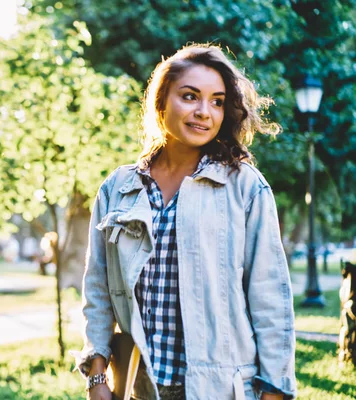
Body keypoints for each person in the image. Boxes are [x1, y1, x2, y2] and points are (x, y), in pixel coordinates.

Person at [75, 44, 297, 400]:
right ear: (161, 101)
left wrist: (275, 391)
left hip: (222, 389)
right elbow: (98, 291)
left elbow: (270, 299)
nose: (204, 112)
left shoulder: (245, 188)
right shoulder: (118, 189)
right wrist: (96, 377)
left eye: (217, 101)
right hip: (138, 386)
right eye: (190, 96)